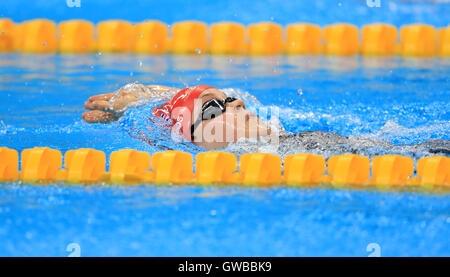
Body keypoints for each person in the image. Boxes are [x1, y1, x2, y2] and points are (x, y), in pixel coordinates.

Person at [82, 83, 449, 156]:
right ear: (195, 144)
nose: (237, 101)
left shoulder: (299, 146)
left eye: (229, 98)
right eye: (214, 109)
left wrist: (149, 95)